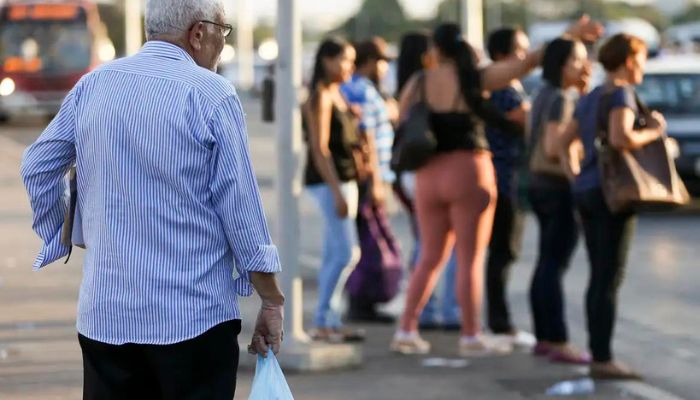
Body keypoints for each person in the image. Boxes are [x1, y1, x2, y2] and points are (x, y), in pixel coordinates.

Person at [20, 0, 284, 397]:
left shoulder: (95, 84)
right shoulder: (211, 95)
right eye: (222, 33)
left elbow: (37, 166)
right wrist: (271, 300)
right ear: (198, 33)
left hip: (105, 317)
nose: (222, 45)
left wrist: (65, 230)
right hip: (192, 322)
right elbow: (240, 210)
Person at [391, 18, 603, 357]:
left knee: (429, 256)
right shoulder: (476, 78)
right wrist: (570, 36)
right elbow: (527, 62)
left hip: (428, 174)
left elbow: (400, 119)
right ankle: (471, 335)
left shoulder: (419, 81)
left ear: (436, 50)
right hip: (469, 171)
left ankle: (406, 329)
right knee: (470, 258)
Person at [559, 33, 661, 380]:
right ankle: (602, 358)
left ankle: (597, 352)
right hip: (611, 194)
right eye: (643, 59)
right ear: (630, 60)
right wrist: (655, 131)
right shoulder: (620, 93)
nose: (644, 67)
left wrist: (576, 175)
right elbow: (621, 138)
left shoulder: (590, 98)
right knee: (608, 278)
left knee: (597, 275)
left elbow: (560, 143)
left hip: (588, 190)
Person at [527, 37, 592, 364]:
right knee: (554, 263)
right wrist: (577, 182)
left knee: (546, 262)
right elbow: (555, 148)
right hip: (556, 186)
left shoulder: (543, 94)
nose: (584, 66)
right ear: (561, 64)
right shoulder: (560, 100)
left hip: (539, 185)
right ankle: (556, 339)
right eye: (577, 60)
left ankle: (544, 337)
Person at [394, 31, 460, 331]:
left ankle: (426, 308)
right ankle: (446, 309)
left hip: (409, 168)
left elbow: (399, 118)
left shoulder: (409, 82)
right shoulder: (433, 79)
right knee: (441, 243)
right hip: (433, 167)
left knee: (424, 240)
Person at [303, 37, 365, 342]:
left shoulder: (337, 93)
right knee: (346, 253)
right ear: (327, 60)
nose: (350, 67)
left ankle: (330, 320)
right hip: (330, 182)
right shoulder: (320, 97)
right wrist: (337, 191)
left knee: (334, 254)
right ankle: (323, 319)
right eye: (345, 60)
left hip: (346, 180)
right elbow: (319, 148)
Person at [341, 38, 403, 324]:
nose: (385, 68)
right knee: (370, 243)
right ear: (370, 61)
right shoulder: (360, 90)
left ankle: (363, 302)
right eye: (382, 62)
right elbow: (364, 139)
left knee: (371, 241)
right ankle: (359, 303)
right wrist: (376, 181)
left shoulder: (367, 90)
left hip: (372, 175)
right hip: (368, 176)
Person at [483, 27, 534, 347]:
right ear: (503, 55)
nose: (525, 58)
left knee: (501, 253)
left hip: (501, 177)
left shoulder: (499, 87)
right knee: (504, 252)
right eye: (521, 51)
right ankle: (499, 322)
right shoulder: (504, 90)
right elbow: (526, 124)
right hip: (505, 180)